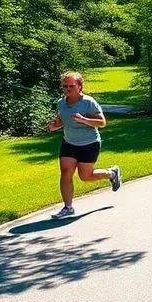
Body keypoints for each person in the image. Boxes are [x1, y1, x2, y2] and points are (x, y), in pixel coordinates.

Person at [46, 71, 121, 219]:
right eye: (65, 86)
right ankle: (68, 207)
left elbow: (102, 122)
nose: (67, 89)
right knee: (66, 172)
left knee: (85, 176)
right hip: (69, 142)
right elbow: (61, 121)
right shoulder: (61, 103)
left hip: (89, 143)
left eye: (71, 86)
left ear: (80, 86)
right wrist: (54, 126)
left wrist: (84, 120)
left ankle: (111, 173)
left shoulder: (88, 102)